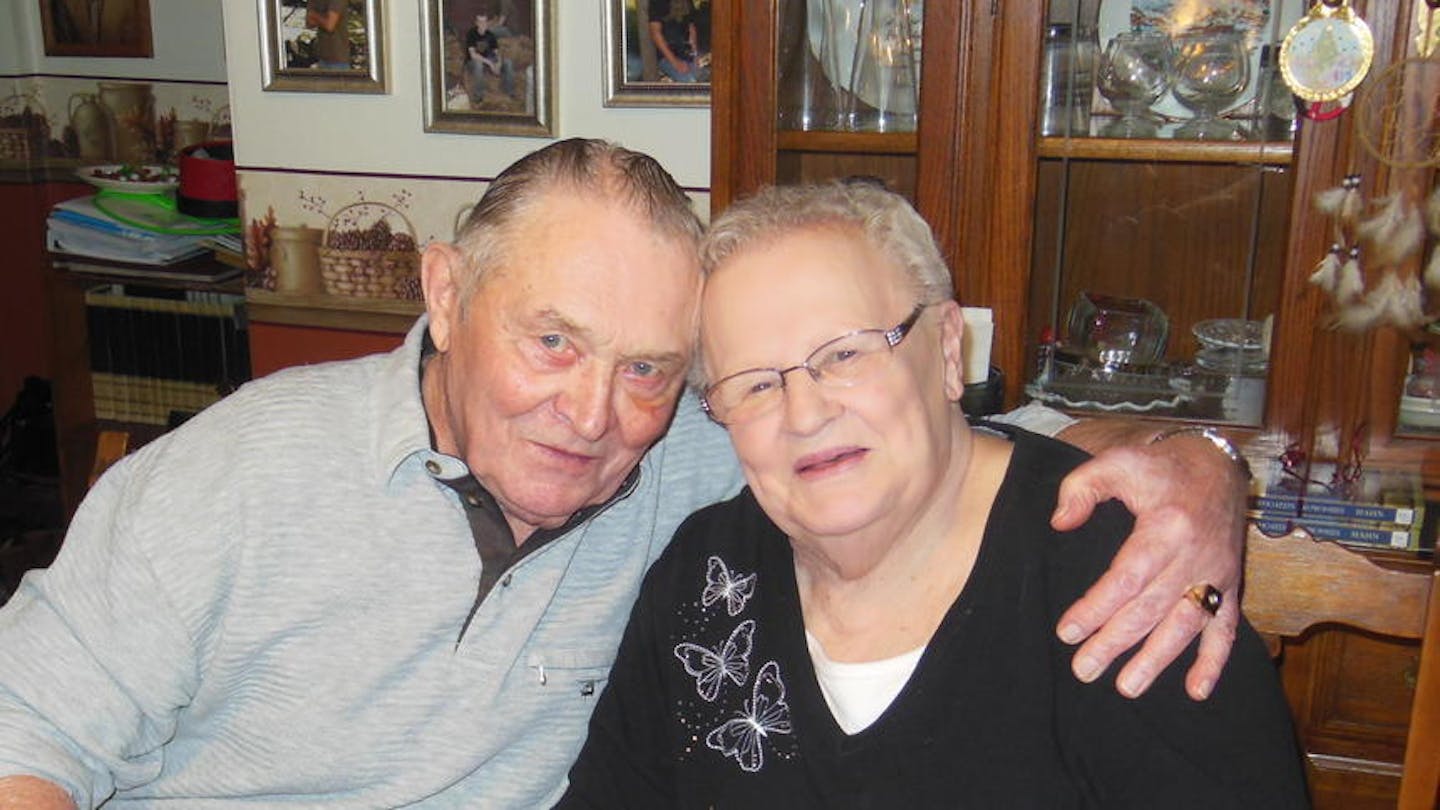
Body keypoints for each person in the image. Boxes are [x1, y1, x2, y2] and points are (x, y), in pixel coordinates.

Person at [0, 140, 1248, 809]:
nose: (592, 415)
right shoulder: (230, 478)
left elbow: (937, 428)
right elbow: (26, 743)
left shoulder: (719, 451)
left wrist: (1202, 461)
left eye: (652, 369)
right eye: (551, 341)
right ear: (446, 293)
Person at [560, 180, 1306, 808]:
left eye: (845, 354)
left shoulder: (1127, 571)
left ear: (948, 350)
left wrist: (1209, 456)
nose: (805, 413)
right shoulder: (707, 576)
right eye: (754, 384)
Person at [463, 9, 516, 107]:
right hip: (473, 62)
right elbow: (473, 55)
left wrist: (498, 63)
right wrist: (490, 63)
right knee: (478, 65)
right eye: (480, 22)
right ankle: (479, 96)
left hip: (488, 60)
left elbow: (496, 53)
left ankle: (510, 92)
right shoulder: (471, 34)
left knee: (508, 62)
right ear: (476, 23)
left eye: (484, 22)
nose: (483, 24)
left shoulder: (490, 35)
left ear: (487, 23)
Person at [648, 0, 703, 83]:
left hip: (686, 53)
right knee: (690, 81)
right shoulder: (657, 2)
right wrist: (675, 63)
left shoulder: (688, 2)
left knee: (705, 76)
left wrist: (695, 54)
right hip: (666, 56)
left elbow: (691, 28)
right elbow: (655, 34)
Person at [305, 0, 350, 71]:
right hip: (321, 58)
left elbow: (329, 25)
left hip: (337, 60)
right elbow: (309, 23)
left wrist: (315, 16)